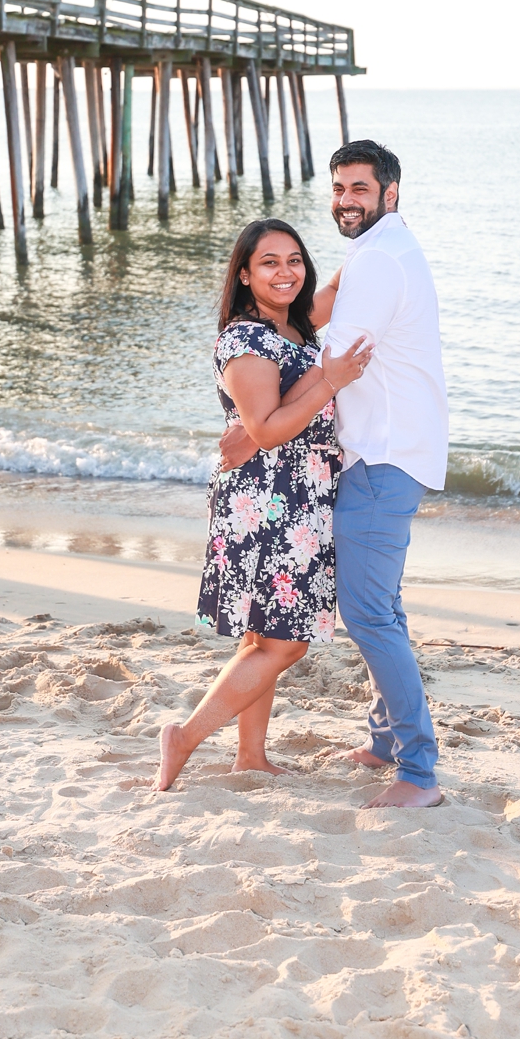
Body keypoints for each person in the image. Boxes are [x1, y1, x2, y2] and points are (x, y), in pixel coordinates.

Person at [220, 141, 448, 810]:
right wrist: (262, 403)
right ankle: (384, 743)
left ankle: (419, 773)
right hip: (386, 452)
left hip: (382, 456)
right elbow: (323, 332)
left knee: (369, 614)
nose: (347, 199)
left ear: (391, 192)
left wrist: (260, 414)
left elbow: (339, 358)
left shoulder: (379, 259)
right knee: (384, 611)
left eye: (360, 188)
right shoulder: (378, 252)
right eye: (339, 187)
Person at [156, 219, 371, 792]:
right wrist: (333, 380)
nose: (286, 273)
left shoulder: (295, 326)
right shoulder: (245, 339)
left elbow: (341, 286)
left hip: (295, 495)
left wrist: (380, 235)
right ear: (245, 274)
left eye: (295, 260)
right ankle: (185, 737)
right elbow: (268, 430)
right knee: (285, 641)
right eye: (269, 263)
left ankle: (250, 756)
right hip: (268, 497)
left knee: (262, 636)